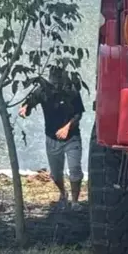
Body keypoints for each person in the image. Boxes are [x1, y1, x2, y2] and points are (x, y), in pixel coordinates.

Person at [19, 67, 85, 209]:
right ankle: (63, 193)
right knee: (55, 174)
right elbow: (30, 103)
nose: (56, 85)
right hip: (52, 139)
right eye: (53, 82)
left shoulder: (71, 91)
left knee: (74, 169)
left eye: (58, 82)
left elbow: (79, 114)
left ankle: (75, 202)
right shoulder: (43, 91)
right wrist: (25, 108)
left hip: (72, 138)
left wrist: (67, 127)